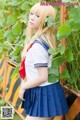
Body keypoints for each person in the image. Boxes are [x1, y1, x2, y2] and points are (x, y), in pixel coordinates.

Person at [19, 2, 68, 120]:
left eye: (37, 16)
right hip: (43, 91)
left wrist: (23, 87)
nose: (31, 17)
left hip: (45, 92)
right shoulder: (41, 41)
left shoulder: (38, 46)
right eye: (31, 13)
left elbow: (42, 76)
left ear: (46, 21)